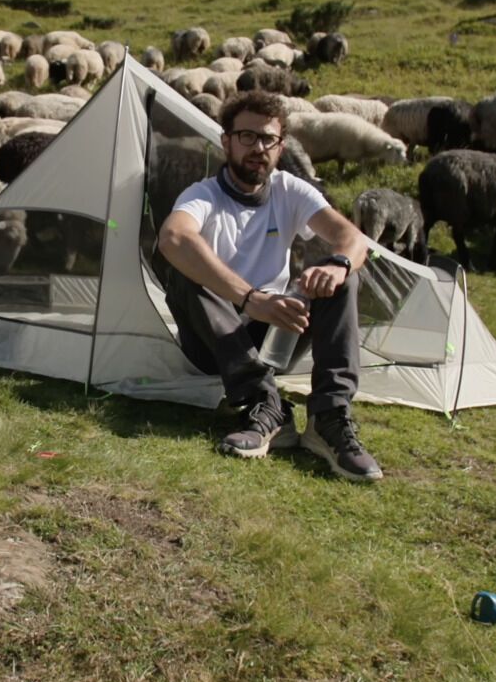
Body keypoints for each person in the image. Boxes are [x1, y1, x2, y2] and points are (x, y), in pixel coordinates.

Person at [155, 90, 382, 481]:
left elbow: (353, 238)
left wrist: (338, 264)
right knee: (185, 272)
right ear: (226, 141)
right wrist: (249, 298)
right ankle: (264, 402)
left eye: (269, 139)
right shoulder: (203, 195)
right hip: (216, 340)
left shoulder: (289, 189)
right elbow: (173, 238)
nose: (258, 148)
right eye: (247, 137)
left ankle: (328, 418)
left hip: (277, 335)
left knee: (344, 275)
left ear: (280, 147)